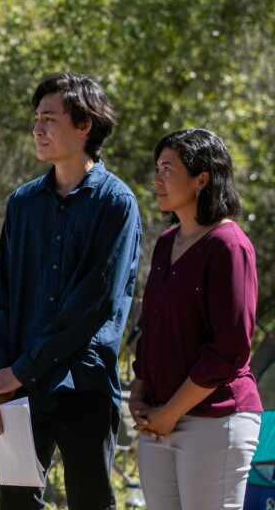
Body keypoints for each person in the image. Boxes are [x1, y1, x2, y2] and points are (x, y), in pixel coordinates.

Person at [0, 72, 142, 509]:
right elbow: (3, 299)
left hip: (82, 382)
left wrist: (22, 369)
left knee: (90, 501)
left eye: (49, 118)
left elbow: (95, 305)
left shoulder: (116, 203)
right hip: (20, 389)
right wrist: (2, 376)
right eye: (36, 119)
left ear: (85, 125)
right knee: (15, 503)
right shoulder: (23, 203)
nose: (37, 129)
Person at [130, 128, 261, 509]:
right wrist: (140, 394)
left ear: (201, 179)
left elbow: (229, 349)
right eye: (157, 168)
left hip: (214, 422)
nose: (156, 179)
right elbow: (153, 329)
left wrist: (170, 412)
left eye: (167, 169)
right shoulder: (166, 242)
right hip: (157, 421)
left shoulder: (229, 246)